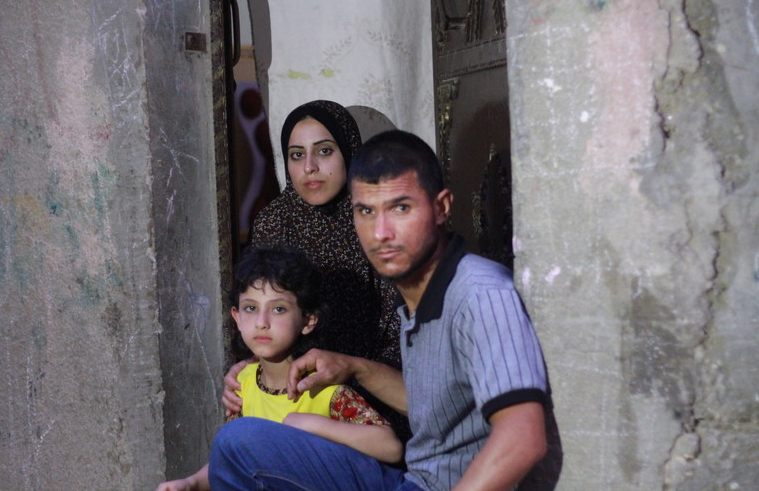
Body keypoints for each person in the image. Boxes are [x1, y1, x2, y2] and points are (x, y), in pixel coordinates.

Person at [208, 130, 554, 491]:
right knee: (241, 443)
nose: (381, 232)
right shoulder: (417, 296)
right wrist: (353, 367)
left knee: (239, 441)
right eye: (366, 212)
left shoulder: (480, 293)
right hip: (410, 481)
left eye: (400, 208)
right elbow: (433, 407)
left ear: (442, 208)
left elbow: (523, 437)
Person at [222, 100, 407, 437]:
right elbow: (264, 311)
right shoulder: (274, 222)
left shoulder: (377, 220)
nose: (309, 167)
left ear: (350, 153)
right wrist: (252, 368)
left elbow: (402, 336)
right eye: (296, 155)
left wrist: (351, 378)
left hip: (373, 399)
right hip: (293, 392)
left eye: (323, 151)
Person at [157, 245, 402, 491]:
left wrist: (315, 426)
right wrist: (192, 482)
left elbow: (391, 448)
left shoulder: (321, 387)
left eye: (278, 309)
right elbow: (236, 458)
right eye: (251, 308)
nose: (262, 323)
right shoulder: (242, 384)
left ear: (308, 320)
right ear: (237, 318)